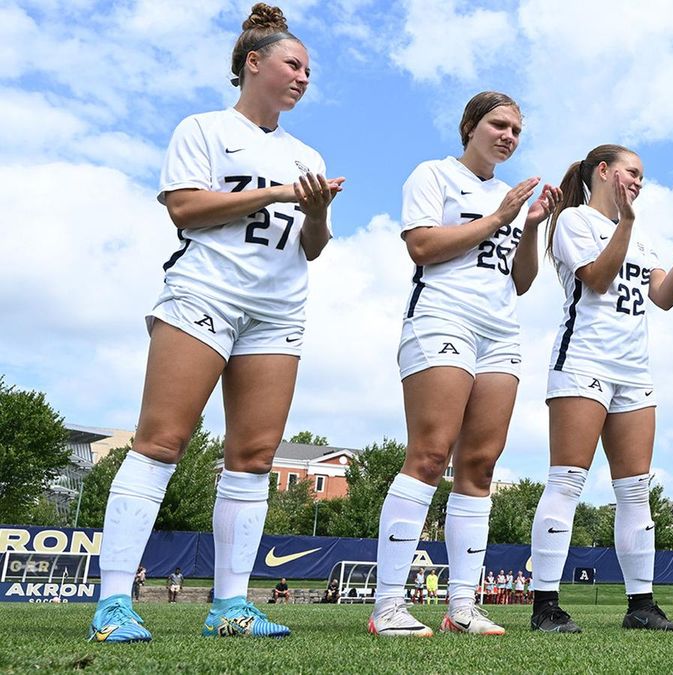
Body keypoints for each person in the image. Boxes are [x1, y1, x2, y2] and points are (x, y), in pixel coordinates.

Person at [88, 4, 337, 644]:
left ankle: (231, 606)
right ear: (254, 62)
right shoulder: (203, 128)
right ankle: (114, 603)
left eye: (309, 70)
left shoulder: (305, 151)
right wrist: (278, 194)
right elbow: (187, 210)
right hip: (205, 292)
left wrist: (314, 212)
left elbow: (312, 246)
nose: (303, 77)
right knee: (161, 441)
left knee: (253, 457)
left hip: (278, 310)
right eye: (293, 63)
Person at [370, 91, 561, 639]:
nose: (508, 136)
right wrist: (500, 215)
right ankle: (387, 606)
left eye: (516, 130)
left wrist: (527, 226)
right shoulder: (433, 175)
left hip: (499, 331)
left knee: (480, 466)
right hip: (441, 319)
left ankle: (462, 607)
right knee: (430, 455)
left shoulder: (512, 195)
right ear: (470, 126)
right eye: (499, 125)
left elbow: (521, 281)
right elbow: (423, 246)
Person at [528, 143, 673, 634]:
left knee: (636, 490)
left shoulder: (641, 236)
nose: (638, 181)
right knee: (567, 481)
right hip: (582, 362)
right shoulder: (574, 220)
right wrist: (628, 223)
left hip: (633, 370)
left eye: (642, 176)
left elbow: (663, 297)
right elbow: (595, 279)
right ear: (603, 171)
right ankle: (545, 605)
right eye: (631, 172)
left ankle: (641, 605)